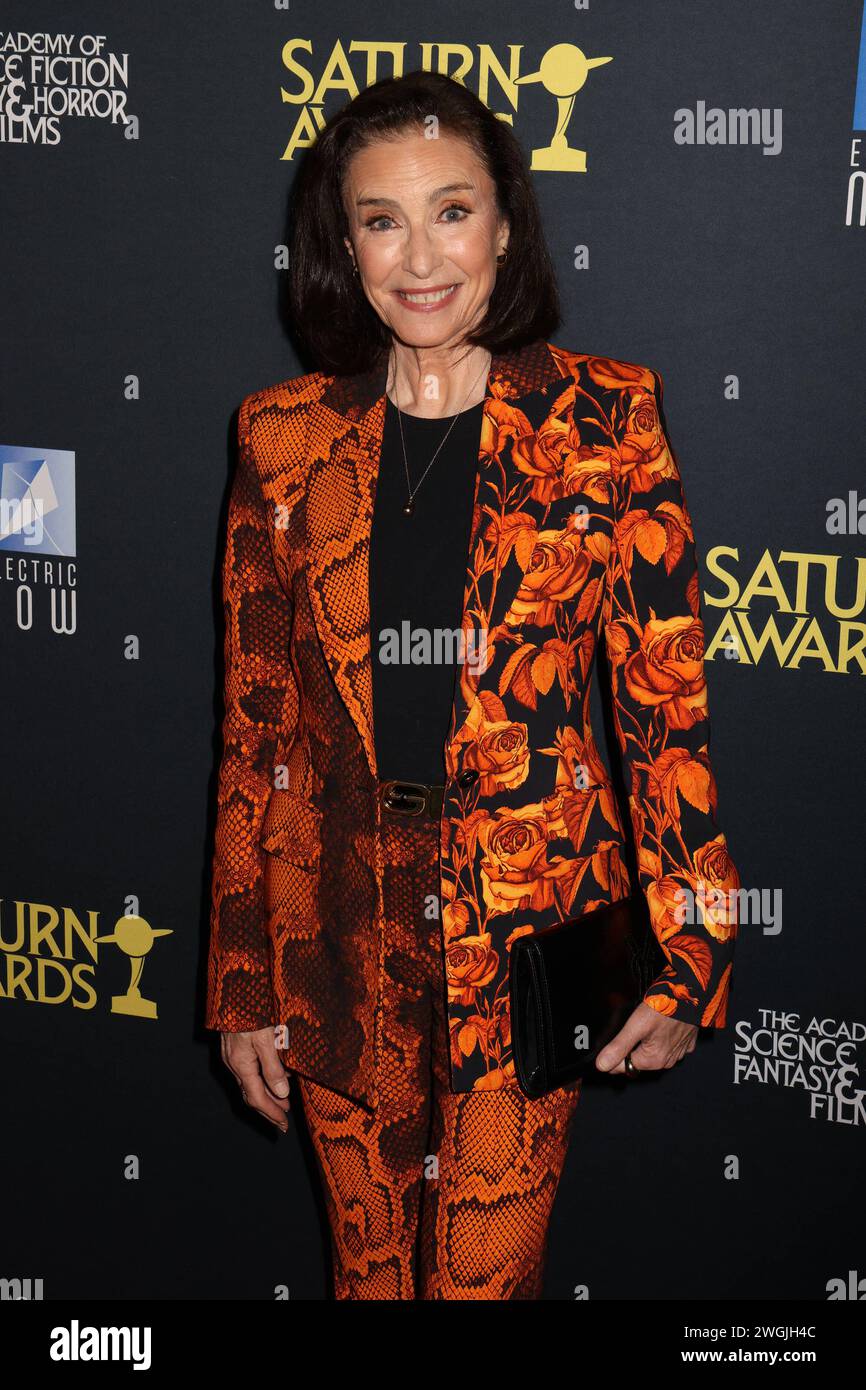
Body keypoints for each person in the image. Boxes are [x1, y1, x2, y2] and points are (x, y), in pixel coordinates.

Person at [205, 70, 740, 1300]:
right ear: (343, 243)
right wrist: (243, 980)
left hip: (534, 933)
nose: (418, 257)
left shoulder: (605, 418)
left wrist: (694, 946)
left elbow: (663, 708)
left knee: (484, 1285)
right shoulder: (279, 436)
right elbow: (253, 726)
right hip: (336, 929)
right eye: (381, 220)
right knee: (369, 1279)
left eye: (451, 211)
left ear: (505, 222)